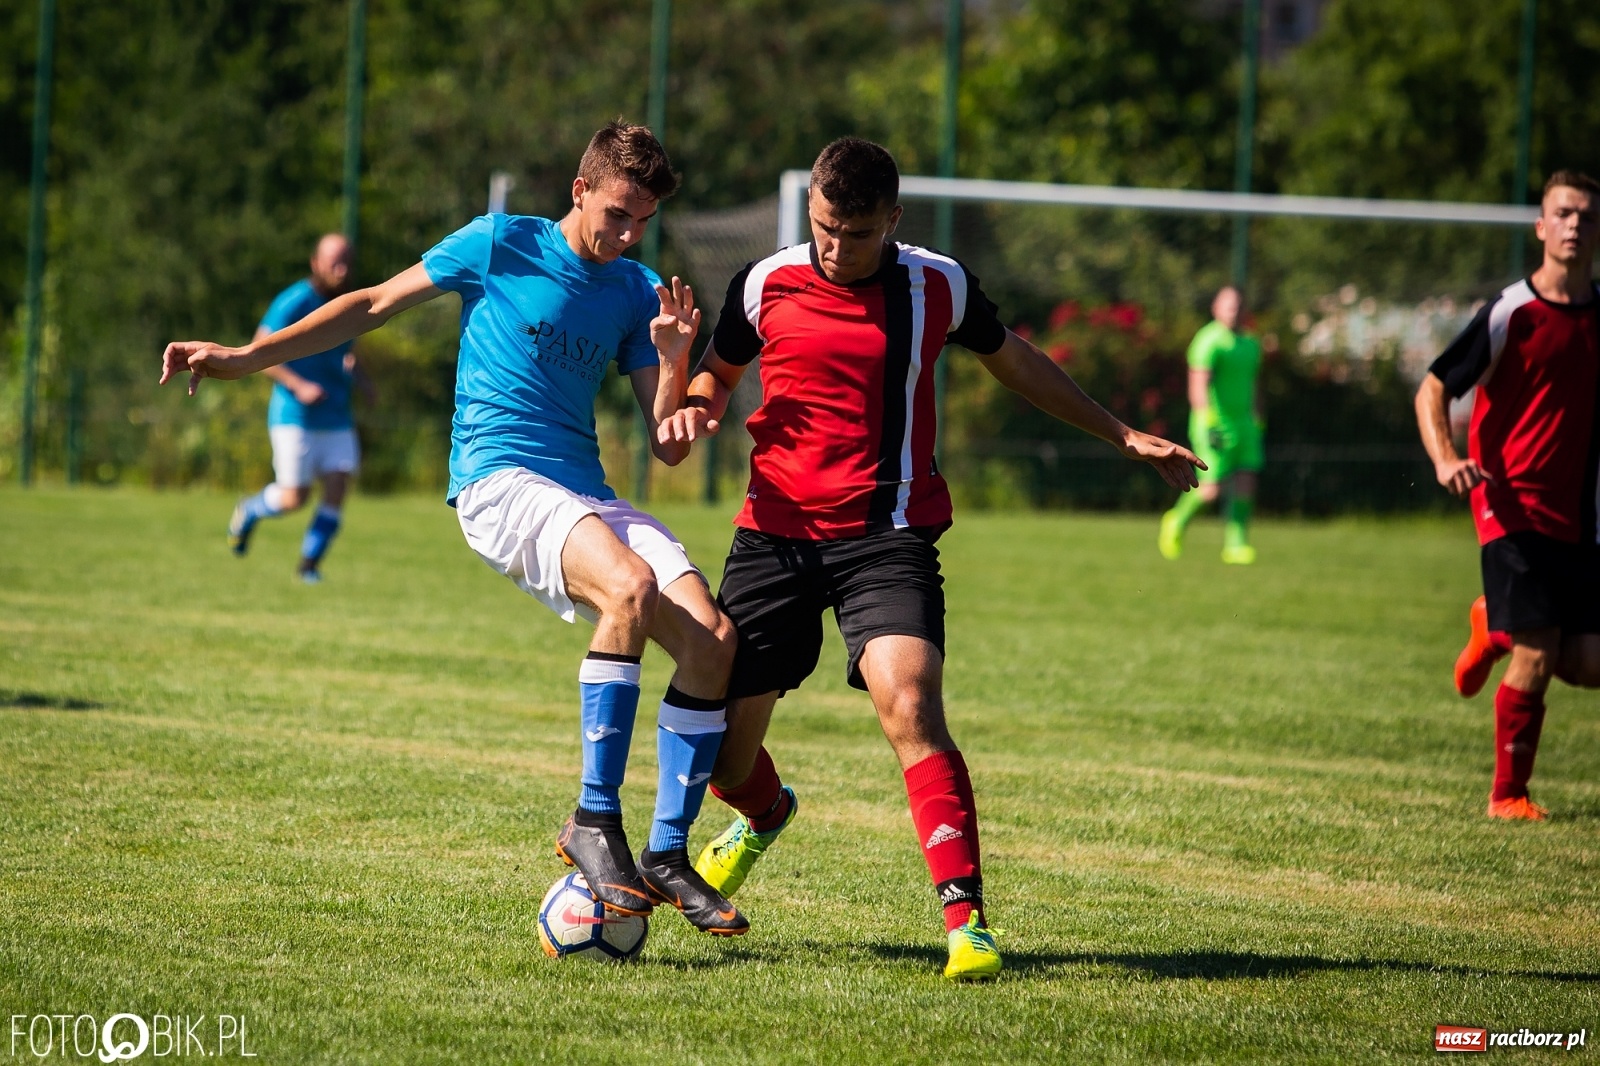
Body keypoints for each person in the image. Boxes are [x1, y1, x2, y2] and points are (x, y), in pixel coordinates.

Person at [161, 122, 747, 933]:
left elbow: (665, 441)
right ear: (579, 191)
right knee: (631, 588)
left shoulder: (634, 287)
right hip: (499, 479)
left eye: (641, 221)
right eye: (616, 213)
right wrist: (242, 358)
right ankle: (592, 820)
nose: (627, 234)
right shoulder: (499, 243)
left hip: (585, 492)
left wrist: (677, 363)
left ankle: (666, 853)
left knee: (714, 639)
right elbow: (368, 305)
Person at [655, 137, 1203, 979]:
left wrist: (1121, 431)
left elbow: (1013, 359)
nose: (838, 249)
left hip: (889, 535)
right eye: (826, 228)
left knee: (909, 704)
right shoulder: (764, 283)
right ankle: (764, 814)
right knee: (728, 760)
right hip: (774, 536)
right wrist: (697, 405)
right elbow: (719, 374)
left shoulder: (935, 283)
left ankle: (968, 923)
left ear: (894, 220)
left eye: (859, 232)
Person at [1415, 169, 1600, 821]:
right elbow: (1434, 387)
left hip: (1578, 515)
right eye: (1563, 213)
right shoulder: (1510, 312)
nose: (1575, 224)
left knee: (1586, 662)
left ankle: (1490, 626)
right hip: (1507, 503)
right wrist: (1445, 459)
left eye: (1586, 215)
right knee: (1540, 649)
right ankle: (1508, 796)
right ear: (1541, 226)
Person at [228, 233, 374, 583]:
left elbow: (345, 355)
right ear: (315, 264)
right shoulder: (294, 300)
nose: (342, 269)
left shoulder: (349, 303)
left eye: (347, 262)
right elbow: (258, 351)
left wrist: (363, 380)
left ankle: (308, 566)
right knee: (294, 498)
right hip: (295, 416)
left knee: (338, 489)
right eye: (334, 261)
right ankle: (250, 510)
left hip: (337, 414)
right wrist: (299, 385)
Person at [1157, 285, 1263, 564]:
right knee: (1211, 489)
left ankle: (1236, 544)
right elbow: (1198, 385)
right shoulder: (1209, 341)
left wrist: (1257, 418)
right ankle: (1176, 521)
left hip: (1245, 425)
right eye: (1229, 306)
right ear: (1216, 309)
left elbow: (1253, 385)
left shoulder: (1251, 343)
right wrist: (1207, 422)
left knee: (1245, 483)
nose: (1234, 312)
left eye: (1239, 306)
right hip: (1216, 425)